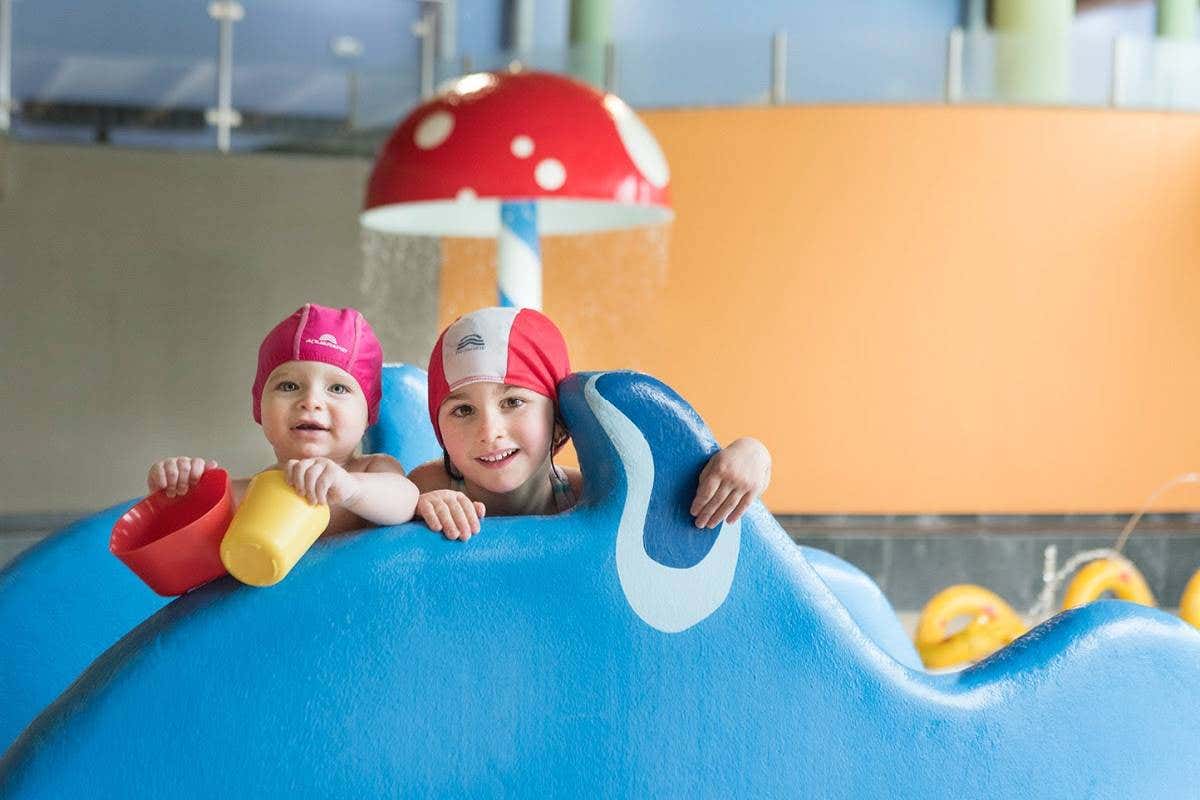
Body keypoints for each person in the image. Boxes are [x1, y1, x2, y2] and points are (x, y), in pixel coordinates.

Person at [409, 307, 772, 541]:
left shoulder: (587, 497)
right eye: (463, 410)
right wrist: (417, 507)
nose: (489, 432)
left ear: (558, 420)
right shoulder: (427, 486)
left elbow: (680, 500)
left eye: (513, 402)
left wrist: (753, 455)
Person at [146, 303, 419, 536]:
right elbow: (177, 535)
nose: (311, 401)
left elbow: (406, 501)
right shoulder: (249, 493)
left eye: (338, 388)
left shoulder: (372, 471)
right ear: (259, 406)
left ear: (368, 412)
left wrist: (352, 490)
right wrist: (178, 489)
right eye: (289, 386)